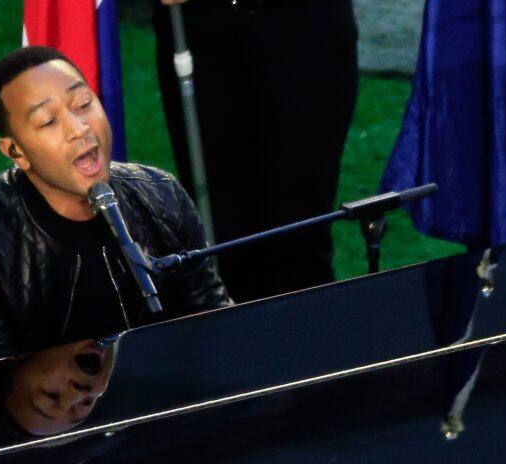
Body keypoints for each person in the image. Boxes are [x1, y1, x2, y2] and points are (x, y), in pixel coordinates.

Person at [0, 46, 231, 372]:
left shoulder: (160, 192)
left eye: (84, 104)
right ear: (15, 151)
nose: (79, 129)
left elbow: (215, 321)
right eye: (48, 121)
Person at [153, 0, 358, 302]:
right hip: (200, 28)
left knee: (298, 230)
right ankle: (229, 340)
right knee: (220, 234)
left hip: (305, 29)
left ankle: (303, 339)